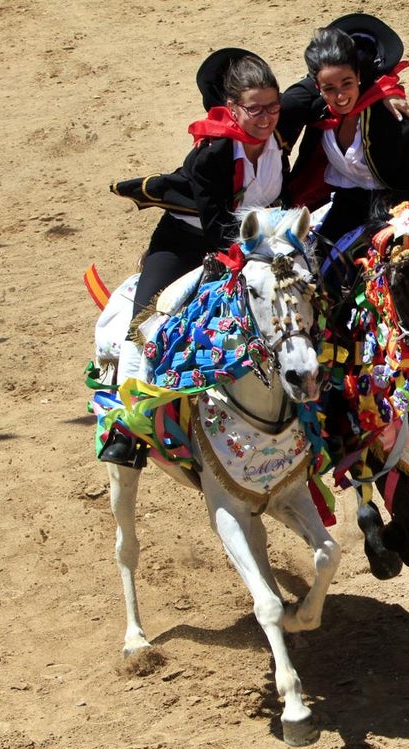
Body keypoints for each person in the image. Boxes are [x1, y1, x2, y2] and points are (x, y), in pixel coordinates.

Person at [100, 49, 289, 466]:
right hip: (190, 243)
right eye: (254, 109)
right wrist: (257, 253)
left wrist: (388, 95)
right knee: (144, 324)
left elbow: (323, 90)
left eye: (273, 106)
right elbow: (218, 223)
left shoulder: (279, 128)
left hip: (255, 243)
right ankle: (127, 428)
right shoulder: (213, 154)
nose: (266, 117)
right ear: (232, 108)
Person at [278, 14, 409, 269]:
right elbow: (283, 105)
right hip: (350, 204)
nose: (339, 96)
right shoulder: (317, 111)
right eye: (329, 88)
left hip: (406, 202)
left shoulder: (391, 119)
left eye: (346, 83)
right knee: (313, 268)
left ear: (359, 76)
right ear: (317, 87)